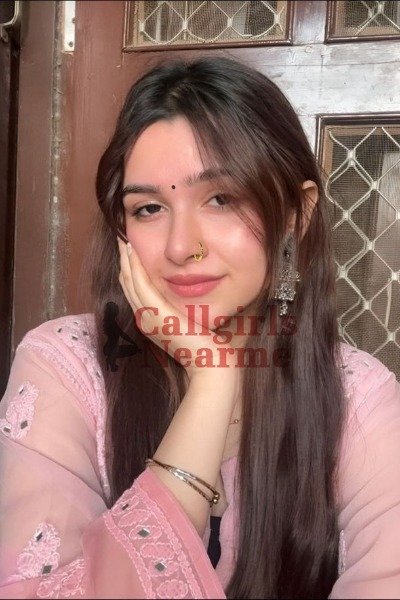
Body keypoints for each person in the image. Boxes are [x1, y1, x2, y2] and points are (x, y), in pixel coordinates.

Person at [0, 57, 399, 599]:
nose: (180, 246)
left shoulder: (358, 399)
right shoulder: (65, 365)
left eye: (221, 199)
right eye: (148, 208)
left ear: (295, 216)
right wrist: (213, 381)